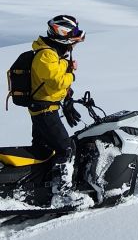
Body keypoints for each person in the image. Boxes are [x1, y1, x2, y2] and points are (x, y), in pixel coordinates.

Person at [6, 14, 85, 196]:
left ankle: (38, 188)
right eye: (72, 38)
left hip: (47, 108)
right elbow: (55, 82)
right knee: (66, 149)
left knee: (44, 151)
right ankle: (63, 193)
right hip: (44, 111)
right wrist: (71, 74)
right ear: (62, 34)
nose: (73, 44)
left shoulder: (53, 54)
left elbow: (53, 83)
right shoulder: (46, 55)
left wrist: (67, 97)